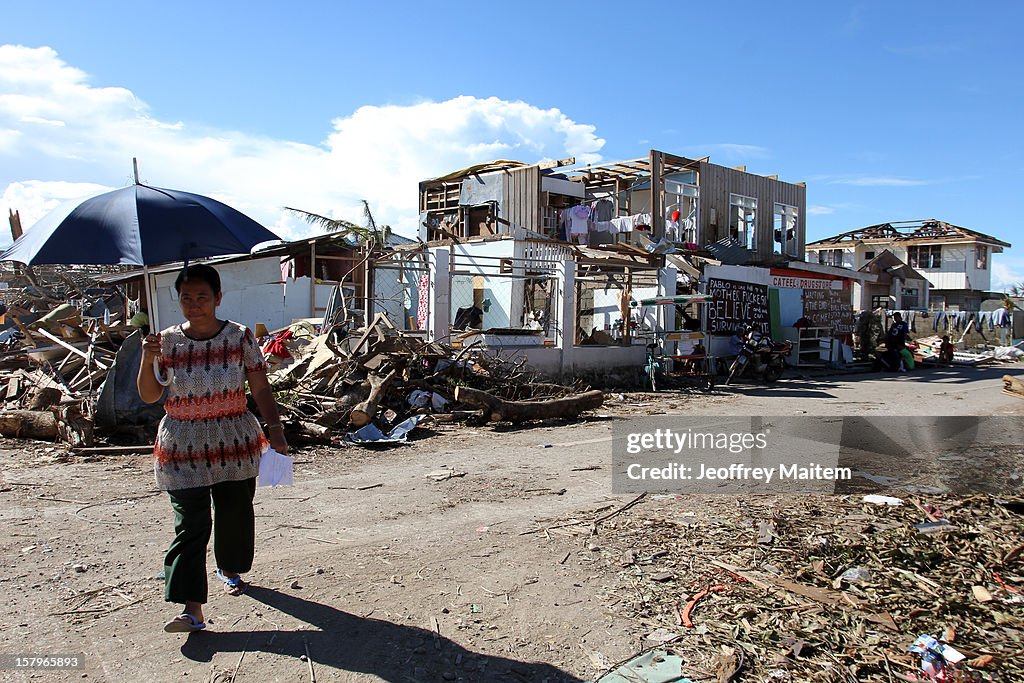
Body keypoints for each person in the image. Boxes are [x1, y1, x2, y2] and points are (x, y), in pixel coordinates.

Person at [137, 264, 288, 634]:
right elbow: (150, 395)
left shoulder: (239, 337)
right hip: (182, 445)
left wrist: (276, 430)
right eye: (186, 297)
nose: (194, 304)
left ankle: (229, 565)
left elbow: (261, 387)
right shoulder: (166, 342)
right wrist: (147, 357)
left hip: (233, 441)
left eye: (202, 296)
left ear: (218, 298)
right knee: (190, 524)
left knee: (234, 512)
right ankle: (191, 608)